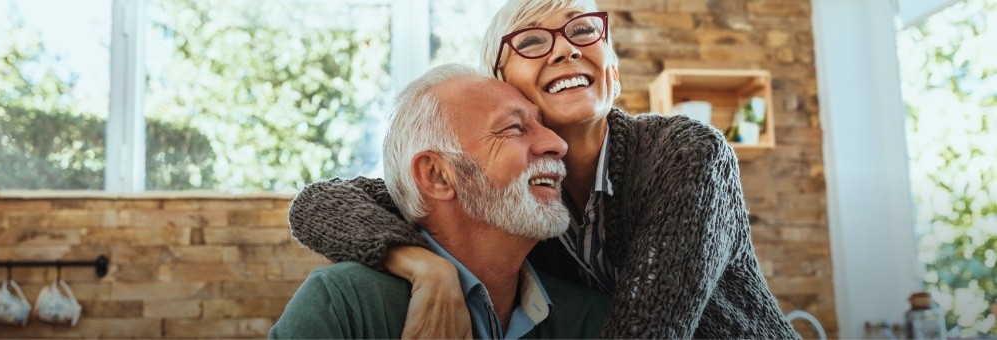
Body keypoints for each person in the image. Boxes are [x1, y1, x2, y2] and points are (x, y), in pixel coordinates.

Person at [287, 0, 800, 338]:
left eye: (582, 30)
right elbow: (321, 204)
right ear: (502, 84)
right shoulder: (514, 199)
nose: (568, 46)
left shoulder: (686, 155)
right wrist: (426, 266)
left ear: (613, 74)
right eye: (532, 41)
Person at [270, 64, 610, 339]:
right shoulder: (345, 305)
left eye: (543, 125)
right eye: (515, 128)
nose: (556, 143)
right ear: (437, 176)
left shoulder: (591, 319)